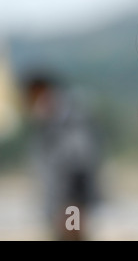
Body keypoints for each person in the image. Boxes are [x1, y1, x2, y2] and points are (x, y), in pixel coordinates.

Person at [24, 71, 102, 240]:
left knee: (72, 235)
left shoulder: (71, 121)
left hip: (69, 202)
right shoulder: (48, 123)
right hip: (60, 203)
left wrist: (72, 205)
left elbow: (80, 163)